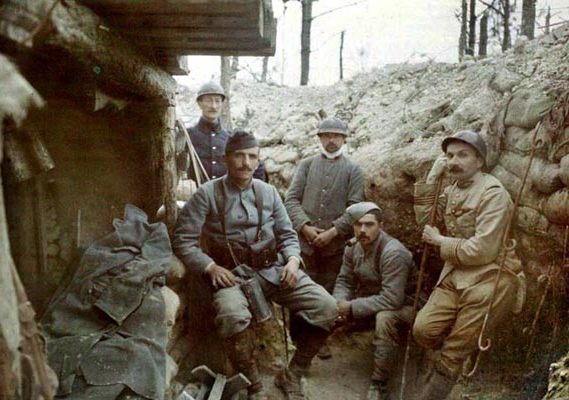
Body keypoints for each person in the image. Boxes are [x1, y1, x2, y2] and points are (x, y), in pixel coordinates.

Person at [173, 129, 338, 400]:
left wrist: (294, 261)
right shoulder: (207, 194)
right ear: (226, 160)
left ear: (258, 160)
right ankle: (254, 384)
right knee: (230, 314)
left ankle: (293, 374)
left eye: (252, 157)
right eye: (239, 156)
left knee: (328, 307)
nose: (246, 163)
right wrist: (210, 267)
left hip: (274, 271)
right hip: (232, 277)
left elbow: (287, 235)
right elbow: (183, 240)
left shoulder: (269, 193)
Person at [412, 130, 524, 400]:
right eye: (449, 156)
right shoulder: (451, 190)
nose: (454, 162)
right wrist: (431, 178)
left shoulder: (493, 194)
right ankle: (448, 355)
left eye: (463, 155)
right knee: (423, 331)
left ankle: (443, 379)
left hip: (491, 276)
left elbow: (482, 251)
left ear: (480, 161)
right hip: (456, 273)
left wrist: (440, 241)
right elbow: (425, 220)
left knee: (453, 353)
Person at [332, 202, 418, 400]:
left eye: (369, 224)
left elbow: (392, 299)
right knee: (328, 305)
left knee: (385, 318)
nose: (363, 230)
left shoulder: (393, 252)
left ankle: (379, 383)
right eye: (358, 224)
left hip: (408, 304)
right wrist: (338, 303)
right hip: (375, 298)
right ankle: (298, 370)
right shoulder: (353, 247)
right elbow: (345, 279)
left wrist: (351, 307)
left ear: (381, 226)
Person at [284, 116, 363, 292]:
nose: (332, 140)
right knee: (300, 293)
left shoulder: (353, 169)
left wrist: (332, 232)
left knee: (329, 294)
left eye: (336, 136)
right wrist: (305, 227)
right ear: (320, 138)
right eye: (327, 135)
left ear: (344, 139)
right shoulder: (306, 165)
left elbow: (355, 208)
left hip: (335, 250)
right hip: (304, 246)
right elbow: (291, 200)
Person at [185, 81, 266, 181]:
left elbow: (256, 165)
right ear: (199, 103)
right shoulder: (187, 135)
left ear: (222, 104)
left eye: (217, 101)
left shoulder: (231, 138)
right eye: (208, 101)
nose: (213, 106)